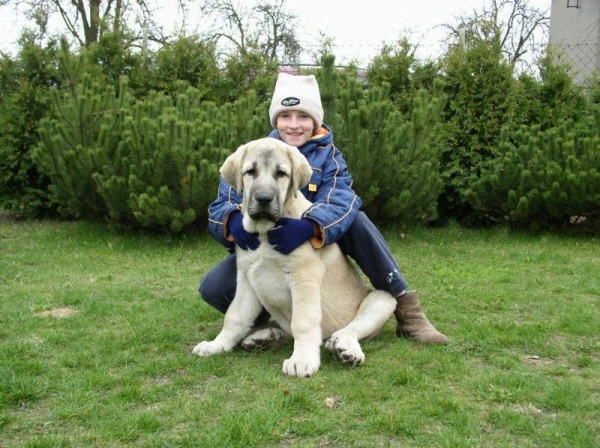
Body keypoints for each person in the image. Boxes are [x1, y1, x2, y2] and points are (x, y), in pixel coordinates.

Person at [199, 72, 448, 345]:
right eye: (285, 116)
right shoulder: (254, 152)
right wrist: (232, 222)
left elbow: (343, 199)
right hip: (261, 250)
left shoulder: (329, 156)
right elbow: (221, 202)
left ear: (315, 120)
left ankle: (406, 307)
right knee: (213, 287)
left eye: (303, 116)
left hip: (315, 249)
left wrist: (310, 226)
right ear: (275, 120)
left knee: (357, 220)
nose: (294, 125)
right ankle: (272, 321)